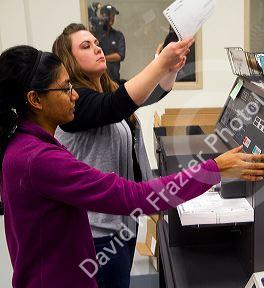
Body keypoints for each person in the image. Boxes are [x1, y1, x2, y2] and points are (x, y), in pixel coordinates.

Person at [0, 45, 264, 288]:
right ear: (35, 99)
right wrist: (214, 169)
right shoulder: (39, 160)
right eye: (65, 88)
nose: (74, 96)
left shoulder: (25, 145)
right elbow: (134, 197)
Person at [51, 23, 195, 287]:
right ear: (68, 60)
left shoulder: (106, 90)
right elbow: (116, 105)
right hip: (95, 234)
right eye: (86, 46)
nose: (97, 48)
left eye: (96, 43)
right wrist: (160, 63)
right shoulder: (72, 102)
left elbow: (148, 92)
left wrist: (169, 68)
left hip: (122, 224)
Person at [94, 4, 125, 83]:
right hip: (98, 80)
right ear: (102, 16)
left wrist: (102, 58)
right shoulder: (94, 34)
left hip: (114, 79)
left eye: (113, 16)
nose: (112, 18)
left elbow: (120, 55)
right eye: (110, 15)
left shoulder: (118, 35)